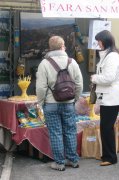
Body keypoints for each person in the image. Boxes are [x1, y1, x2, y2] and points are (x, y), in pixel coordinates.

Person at [36, 36, 83, 171]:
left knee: (56, 133)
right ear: (63, 46)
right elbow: (79, 84)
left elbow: (40, 87)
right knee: (70, 131)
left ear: (50, 48)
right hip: (68, 102)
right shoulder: (72, 62)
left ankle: (60, 163)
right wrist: (75, 98)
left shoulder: (44, 64)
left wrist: (41, 102)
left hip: (51, 103)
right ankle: (73, 160)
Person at [90, 30, 119, 166]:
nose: (97, 43)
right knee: (105, 127)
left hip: (111, 98)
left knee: (106, 127)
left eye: (98, 41)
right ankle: (107, 155)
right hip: (107, 97)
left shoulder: (112, 56)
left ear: (104, 41)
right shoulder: (107, 56)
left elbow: (109, 78)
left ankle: (110, 157)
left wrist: (94, 78)